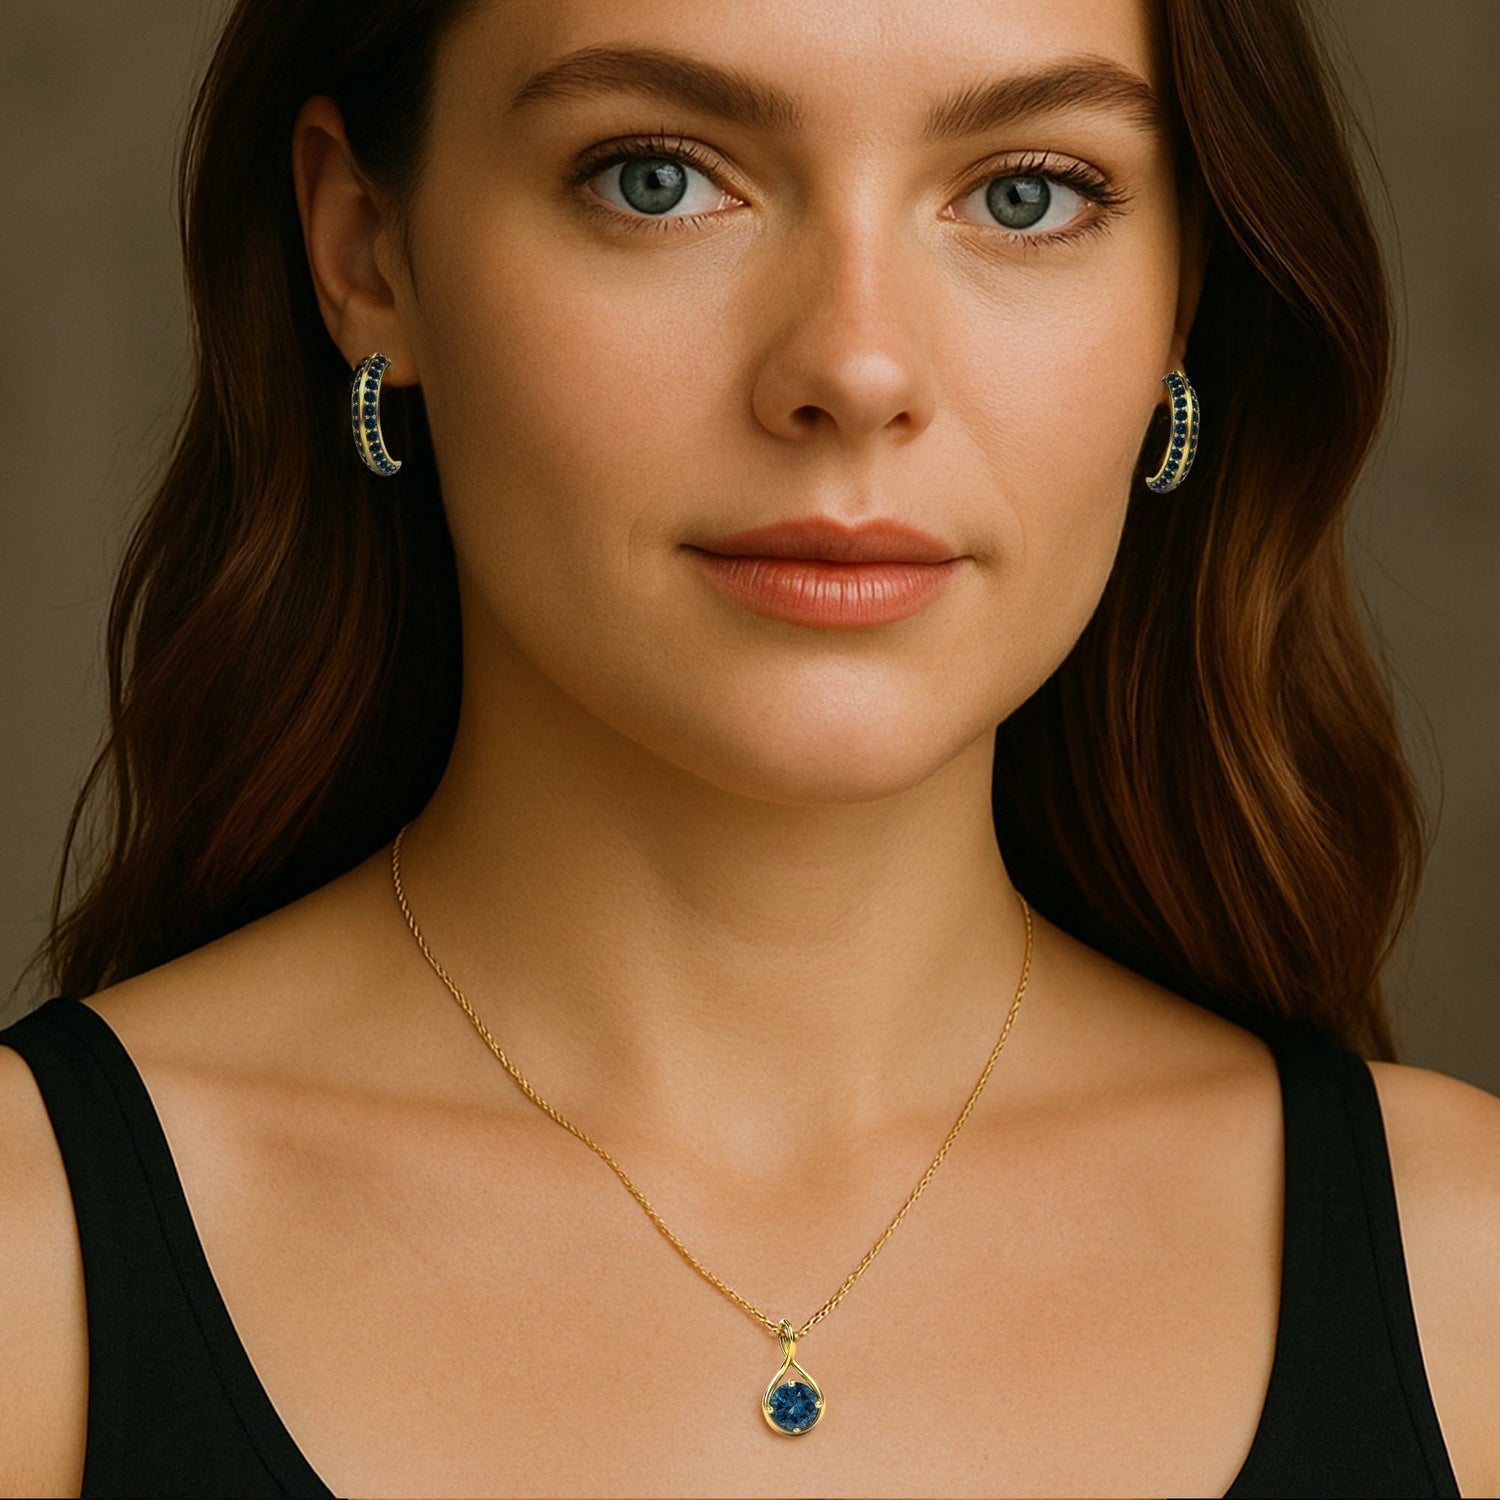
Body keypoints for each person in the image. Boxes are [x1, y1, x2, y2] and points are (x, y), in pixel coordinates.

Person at [2, 0, 1496, 1494]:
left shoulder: (1470, 1274)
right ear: (365, 252)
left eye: (1024, 195)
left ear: (1181, 302)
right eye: (656, 178)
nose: (855, 367)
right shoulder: (31, 1269)